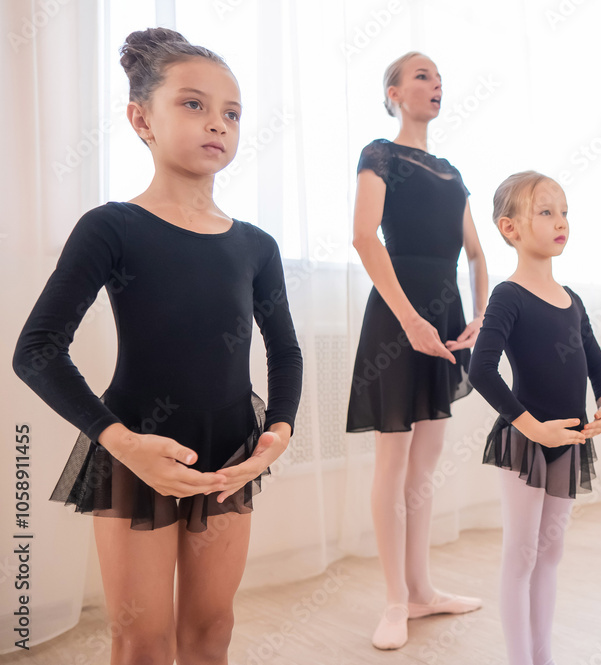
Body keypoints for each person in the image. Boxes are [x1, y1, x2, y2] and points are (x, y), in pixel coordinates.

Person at [12, 28, 302, 664]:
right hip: (135, 450)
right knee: (142, 639)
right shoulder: (113, 227)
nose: (217, 124)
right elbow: (36, 349)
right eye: (193, 104)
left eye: (231, 112)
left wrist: (275, 436)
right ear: (141, 119)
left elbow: (284, 351)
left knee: (211, 631)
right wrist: (122, 443)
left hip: (230, 453)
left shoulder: (255, 246)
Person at [345, 51, 488, 650]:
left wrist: (481, 316)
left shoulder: (452, 171)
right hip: (397, 318)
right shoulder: (379, 153)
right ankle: (395, 600)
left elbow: (477, 255)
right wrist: (408, 321)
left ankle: (423, 590)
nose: (436, 85)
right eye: (423, 76)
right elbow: (362, 235)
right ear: (394, 92)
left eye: (440, 77)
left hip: (446, 317)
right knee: (393, 462)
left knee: (425, 466)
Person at [470, 171, 601, 665]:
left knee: (550, 554)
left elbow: (595, 360)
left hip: (570, 439)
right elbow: (481, 370)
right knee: (522, 554)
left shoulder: (572, 298)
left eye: (565, 212)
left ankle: (542, 656)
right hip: (526, 442)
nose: (561, 222)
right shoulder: (509, 295)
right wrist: (529, 426)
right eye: (547, 212)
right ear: (509, 228)